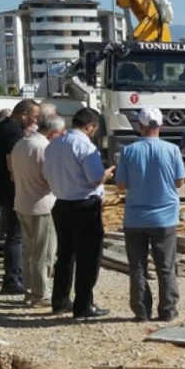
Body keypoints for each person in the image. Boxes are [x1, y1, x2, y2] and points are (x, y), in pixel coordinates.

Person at [43, 107, 115, 319]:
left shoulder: (53, 145)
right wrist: (106, 175)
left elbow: (47, 174)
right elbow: (94, 177)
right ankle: (84, 305)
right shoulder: (84, 145)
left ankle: (60, 300)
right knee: (88, 257)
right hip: (84, 204)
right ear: (90, 126)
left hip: (61, 204)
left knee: (65, 255)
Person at [115, 107, 185, 322]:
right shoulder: (172, 150)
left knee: (137, 268)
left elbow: (120, 185)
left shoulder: (129, 151)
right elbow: (180, 181)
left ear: (140, 126)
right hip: (164, 217)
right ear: (160, 126)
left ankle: (141, 311)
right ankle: (167, 310)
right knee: (166, 267)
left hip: (135, 217)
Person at [10, 113, 65, 306]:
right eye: (61, 133)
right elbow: (49, 178)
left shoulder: (20, 144)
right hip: (41, 205)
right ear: (53, 132)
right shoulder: (44, 148)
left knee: (30, 251)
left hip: (22, 203)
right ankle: (40, 294)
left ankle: (29, 290)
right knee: (44, 252)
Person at [0, 99, 40, 295]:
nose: (35, 121)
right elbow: (12, 164)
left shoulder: (1, 128)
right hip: (13, 191)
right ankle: (12, 279)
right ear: (24, 115)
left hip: (4, 189)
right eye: (34, 117)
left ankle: (16, 276)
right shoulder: (12, 132)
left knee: (15, 234)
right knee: (16, 236)